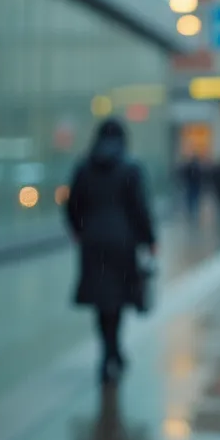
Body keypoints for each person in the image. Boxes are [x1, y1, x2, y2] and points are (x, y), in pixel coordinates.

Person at [65, 118, 157, 383]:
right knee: (118, 298)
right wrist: (149, 239)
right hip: (123, 242)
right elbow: (140, 207)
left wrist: (80, 230)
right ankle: (112, 352)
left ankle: (109, 352)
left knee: (100, 300)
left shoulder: (84, 167)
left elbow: (72, 205)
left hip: (92, 242)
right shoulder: (131, 167)